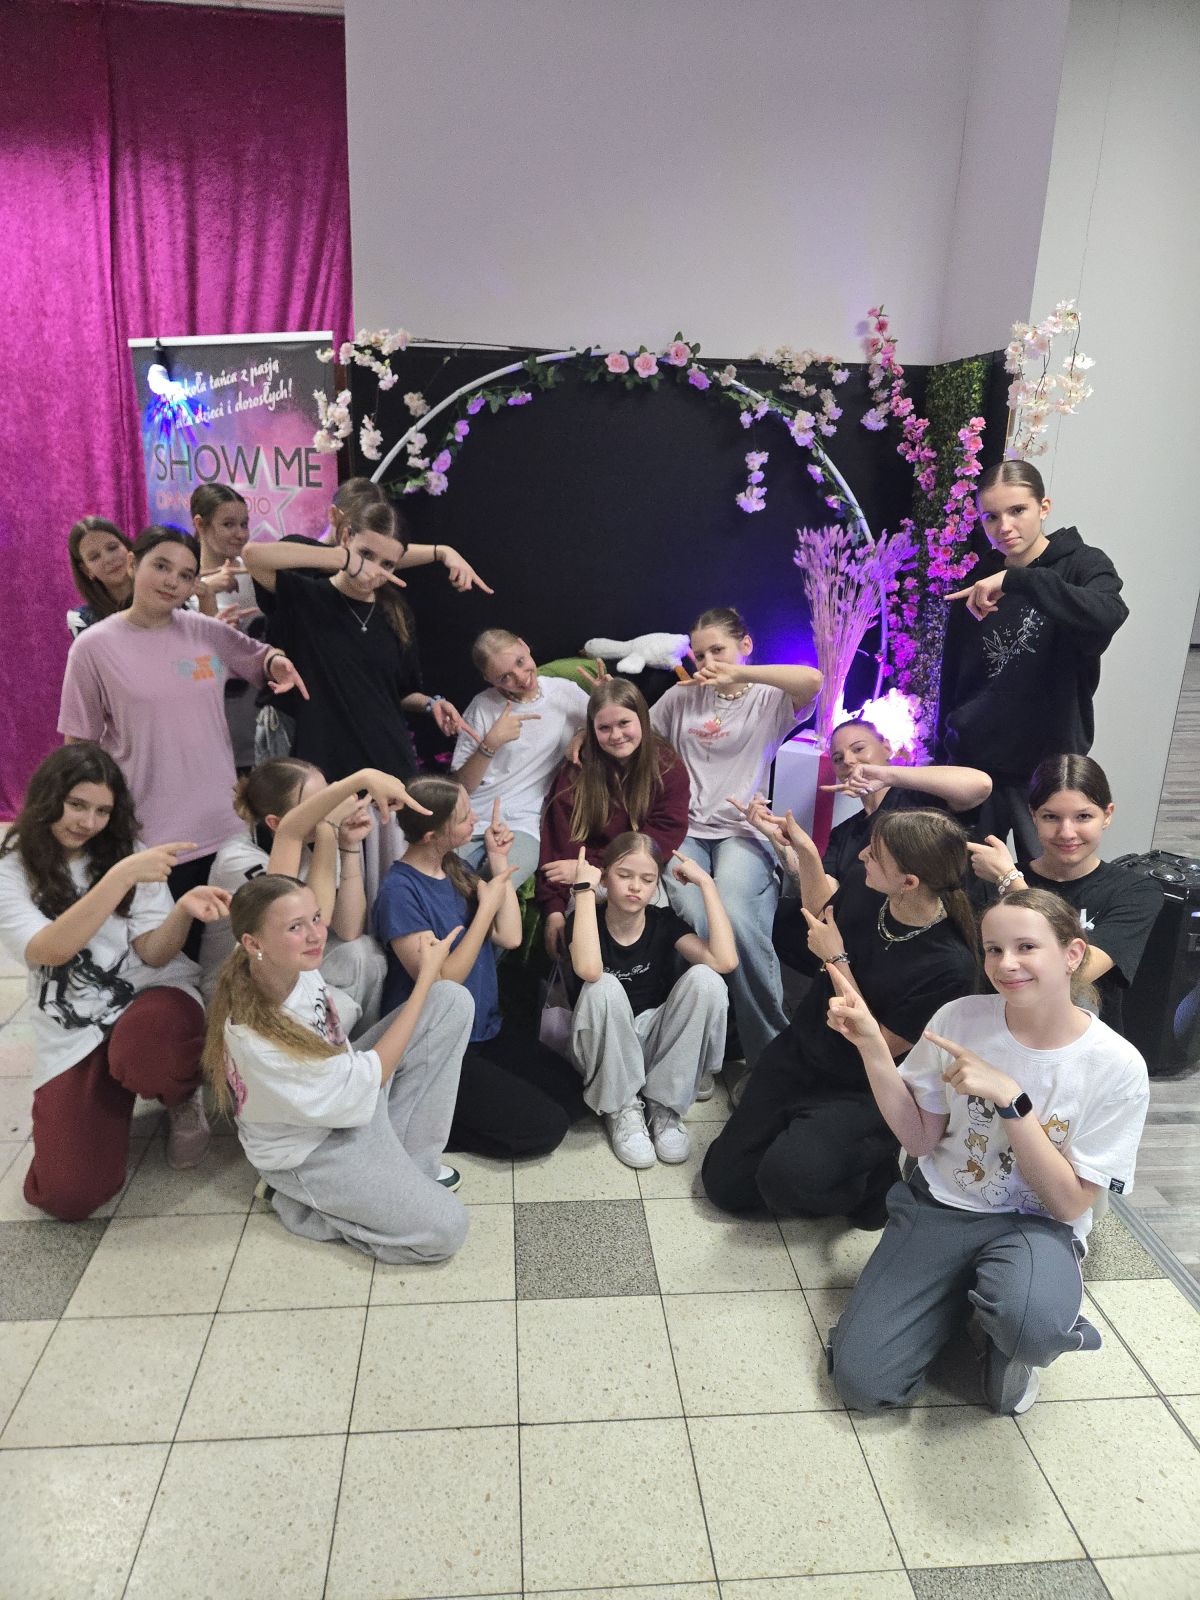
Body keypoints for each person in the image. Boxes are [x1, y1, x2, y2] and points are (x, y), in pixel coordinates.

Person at [825, 889, 1149, 1416]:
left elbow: (1070, 1204)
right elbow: (919, 1140)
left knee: (1034, 1328)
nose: (1006, 963)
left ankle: (1013, 1337)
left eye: (1026, 947)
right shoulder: (959, 1018)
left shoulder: (1116, 1066)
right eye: (994, 949)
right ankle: (961, 1298)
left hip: (1037, 1224)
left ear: (1072, 954)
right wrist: (870, 1046)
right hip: (943, 1205)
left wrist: (1011, 1102)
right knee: (862, 1384)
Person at [701, 808, 978, 1226]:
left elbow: (880, 1044)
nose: (863, 855)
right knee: (725, 1187)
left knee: (787, 1180)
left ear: (909, 882)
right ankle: (802, 1136)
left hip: (862, 1087)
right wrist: (806, 853)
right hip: (801, 1053)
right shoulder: (869, 887)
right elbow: (823, 915)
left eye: (875, 854)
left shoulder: (950, 964)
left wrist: (836, 961)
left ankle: (872, 1183)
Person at [0, 744, 232, 1219]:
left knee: (151, 1046)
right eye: (77, 804)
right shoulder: (12, 872)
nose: (89, 822)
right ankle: (110, 1091)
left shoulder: (128, 855)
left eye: (103, 811)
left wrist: (182, 912)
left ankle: (180, 1095)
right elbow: (50, 950)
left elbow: (153, 951)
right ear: (48, 797)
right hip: (73, 1027)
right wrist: (120, 877)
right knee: (67, 1196)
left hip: (149, 996)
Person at [57, 526, 307, 956]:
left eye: (186, 575)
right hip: (151, 836)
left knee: (236, 957)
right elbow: (79, 747)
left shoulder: (205, 631)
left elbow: (257, 656)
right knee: (167, 962)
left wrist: (277, 661)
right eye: (161, 566)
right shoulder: (93, 648)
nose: (172, 581)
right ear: (133, 563)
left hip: (226, 829)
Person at [205, 875, 470, 1263]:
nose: (316, 935)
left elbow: (353, 1071)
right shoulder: (258, 1039)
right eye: (296, 927)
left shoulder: (284, 963)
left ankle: (413, 1169)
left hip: (343, 1090)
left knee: (450, 1000)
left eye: (315, 918)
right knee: (447, 1230)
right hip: (310, 1148)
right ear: (253, 943)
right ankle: (294, 1202)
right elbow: (373, 1075)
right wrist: (425, 978)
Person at [648, 605, 822, 1070]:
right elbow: (635, 734)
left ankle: (771, 1060)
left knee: (738, 919)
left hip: (742, 830)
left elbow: (813, 680)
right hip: (684, 830)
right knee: (698, 921)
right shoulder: (681, 697)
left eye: (718, 650)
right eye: (700, 654)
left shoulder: (769, 698)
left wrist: (739, 673)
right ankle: (706, 1046)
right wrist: (585, 733)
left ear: (745, 645)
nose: (707, 662)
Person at [377, 778, 586, 1158]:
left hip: (485, 1031)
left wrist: (499, 860)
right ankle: (415, 1126)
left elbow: (510, 936)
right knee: (546, 1129)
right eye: (463, 817)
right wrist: (484, 911)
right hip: (436, 1047)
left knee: (574, 1097)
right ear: (432, 835)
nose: (475, 818)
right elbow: (442, 982)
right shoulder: (399, 890)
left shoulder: (453, 867)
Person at [937, 460, 1129, 857]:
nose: (1004, 527)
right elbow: (954, 677)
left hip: (1049, 769)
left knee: (1047, 882)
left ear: (1044, 508)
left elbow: (1109, 614)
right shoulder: (979, 577)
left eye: (1017, 510)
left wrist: (1017, 579)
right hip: (975, 765)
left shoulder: (1082, 564)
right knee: (965, 877)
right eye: (991, 517)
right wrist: (942, 753)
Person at [241, 498, 477, 785]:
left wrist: (431, 704)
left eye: (387, 564)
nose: (374, 570)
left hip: (391, 762)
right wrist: (344, 559)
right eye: (366, 554)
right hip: (325, 767)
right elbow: (252, 556)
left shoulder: (395, 612)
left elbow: (401, 692)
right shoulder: (305, 595)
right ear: (345, 537)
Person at [199, 760, 413, 1033]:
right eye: (320, 802)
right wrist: (328, 829)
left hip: (289, 965)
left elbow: (348, 930)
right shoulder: (238, 859)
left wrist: (348, 846)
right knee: (342, 1007)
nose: (332, 805)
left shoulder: (313, 842)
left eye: (329, 794)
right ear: (276, 823)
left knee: (364, 953)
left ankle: (360, 1050)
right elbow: (316, 919)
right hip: (241, 985)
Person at [565, 834, 736, 1168]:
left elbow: (724, 961)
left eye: (647, 879)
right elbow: (588, 969)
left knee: (707, 980)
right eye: (624, 875)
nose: (635, 887)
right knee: (603, 986)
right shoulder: (585, 918)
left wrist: (706, 885)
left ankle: (664, 1105)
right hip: (602, 1045)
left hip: (650, 1037)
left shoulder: (662, 921)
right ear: (605, 877)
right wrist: (583, 891)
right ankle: (621, 1106)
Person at [966, 755, 1162, 1035]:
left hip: (1086, 1045)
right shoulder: (991, 886)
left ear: (1107, 815)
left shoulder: (1135, 892)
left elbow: (1078, 971)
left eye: (1083, 816)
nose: (1066, 833)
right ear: (1033, 816)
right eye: (1051, 817)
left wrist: (1010, 881)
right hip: (1002, 1035)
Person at [538, 677, 690, 958]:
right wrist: (554, 910)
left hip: (634, 871)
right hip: (583, 874)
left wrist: (598, 870)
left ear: (642, 719)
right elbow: (560, 841)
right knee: (580, 938)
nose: (616, 735)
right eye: (604, 728)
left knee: (653, 927)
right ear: (592, 730)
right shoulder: (578, 768)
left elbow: (660, 838)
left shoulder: (667, 768)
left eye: (624, 723)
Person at [451, 629, 590, 888]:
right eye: (505, 677)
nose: (521, 678)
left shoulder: (564, 692)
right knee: (440, 881)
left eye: (520, 662)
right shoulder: (482, 706)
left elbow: (608, 726)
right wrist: (490, 744)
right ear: (489, 679)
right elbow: (462, 786)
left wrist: (583, 732)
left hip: (524, 822)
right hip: (473, 816)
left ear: (524, 645)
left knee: (498, 885)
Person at [820, 716, 992, 887]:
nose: (848, 761)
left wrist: (887, 776)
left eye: (858, 749)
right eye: (837, 758)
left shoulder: (921, 796)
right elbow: (828, 890)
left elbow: (981, 785)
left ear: (886, 747)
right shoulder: (843, 833)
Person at [191, 484, 261, 767]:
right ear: (200, 524)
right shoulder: (182, 586)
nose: (240, 534)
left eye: (244, 524)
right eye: (228, 524)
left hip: (260, 725)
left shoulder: (258, 574)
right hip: (207, 729)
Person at [66, 517, 133, 638]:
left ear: (127, 547)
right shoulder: (83, 620)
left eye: (112, 547)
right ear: (86, 570)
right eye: (95, 557)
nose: (108, 559)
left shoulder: (164, 597)